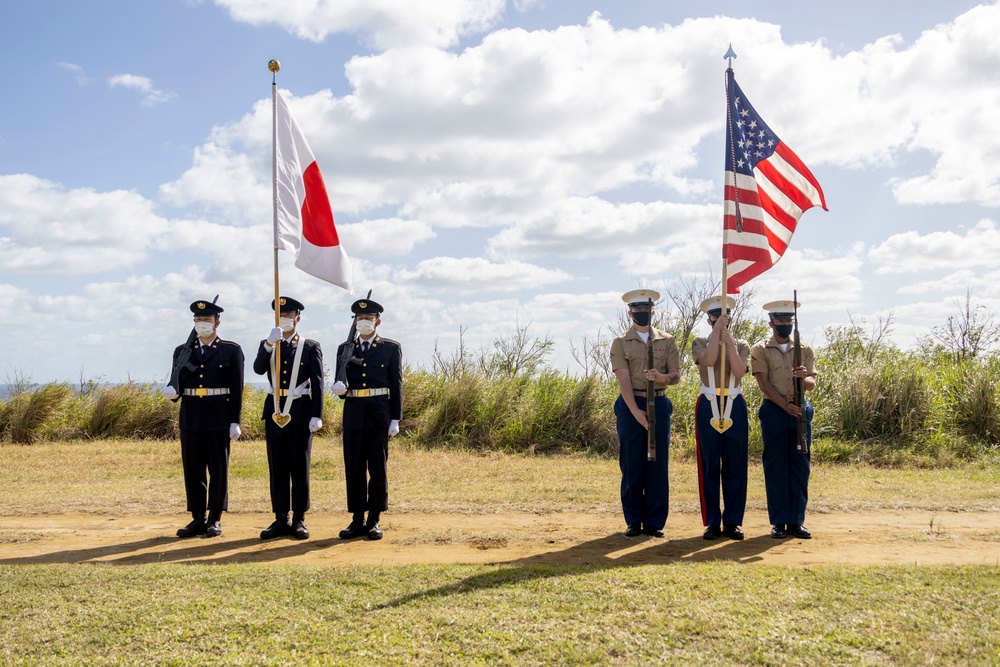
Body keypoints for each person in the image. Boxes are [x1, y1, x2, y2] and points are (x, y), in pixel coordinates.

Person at [162, 299, 244, 538]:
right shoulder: (182, 350)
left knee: (218, 469)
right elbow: (177, 381)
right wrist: (172, 391)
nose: (202, 324)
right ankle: (197, 517)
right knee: (193, 468)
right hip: (191, 415)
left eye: (206, 320)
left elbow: (236, 388)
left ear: (217, 322)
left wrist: (234, 421)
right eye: (198, 320)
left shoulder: (230, 349)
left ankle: (214, 518)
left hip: (218, 414)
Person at [609, 289, 681, 538]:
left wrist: (661, 377)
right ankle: (633, 520)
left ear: (653, 312)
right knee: (632, 463)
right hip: (632, 404)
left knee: (657, 464)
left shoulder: (667, 340)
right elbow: (623, 379)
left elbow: (675, 376)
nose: (642, 314)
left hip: (659, 403)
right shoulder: (621, 342)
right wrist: (637, 412)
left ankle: (654, 522)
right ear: (630, 313)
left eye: (646, 310)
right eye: (637, 310)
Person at [330, 297, 403, 541]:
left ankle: (374, 519)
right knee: (354, 468)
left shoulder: (390, 348)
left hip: (378, 413)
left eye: (368, 319)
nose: (363, 323)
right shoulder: (345, 348)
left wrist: (396, 418)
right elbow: (342, 378)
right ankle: (357, 519)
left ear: (377, 322)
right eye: (360, 319)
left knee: (377, 468)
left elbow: (396, 384)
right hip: (353, 412)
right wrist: (339, 389)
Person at [253, 296, 324, 540]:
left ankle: (299, 518)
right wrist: (268, 346)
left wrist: (317, 414)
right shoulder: (269, 343)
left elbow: (317, 382)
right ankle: (280, 517)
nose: (284, 320)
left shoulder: (309, 346)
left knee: (299, 465)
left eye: (288, 316)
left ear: (297, 319)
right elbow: (258, 369)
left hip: (300, 409)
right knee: (277, 466)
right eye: (280, 316)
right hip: (274, 409)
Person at [750, 299, 817, 539]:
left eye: (788, 320)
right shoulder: (761, 349)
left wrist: (803, 377)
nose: (785, 324)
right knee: (776, 466)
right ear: (771, 323)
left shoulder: (804, 349)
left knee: (800, 466)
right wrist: (785, 406)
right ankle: (779, 521)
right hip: (775, 410)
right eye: (780, 320)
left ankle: (796, 521)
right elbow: (764, 384)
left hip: (800, 409)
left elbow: (811, 384)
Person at [692, 295, 750, 541]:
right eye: (715, 318)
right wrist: (716, 334)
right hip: (708, 403)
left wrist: (732, 346)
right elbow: (709, 360)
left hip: (734, 403)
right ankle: (712, 521)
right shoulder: (700, 342)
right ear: (709, 320)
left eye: (724, 317)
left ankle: (733, 521)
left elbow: (740, 371)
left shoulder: (743, 344)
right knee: (709, 464)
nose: (720, 321)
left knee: (735, 465)